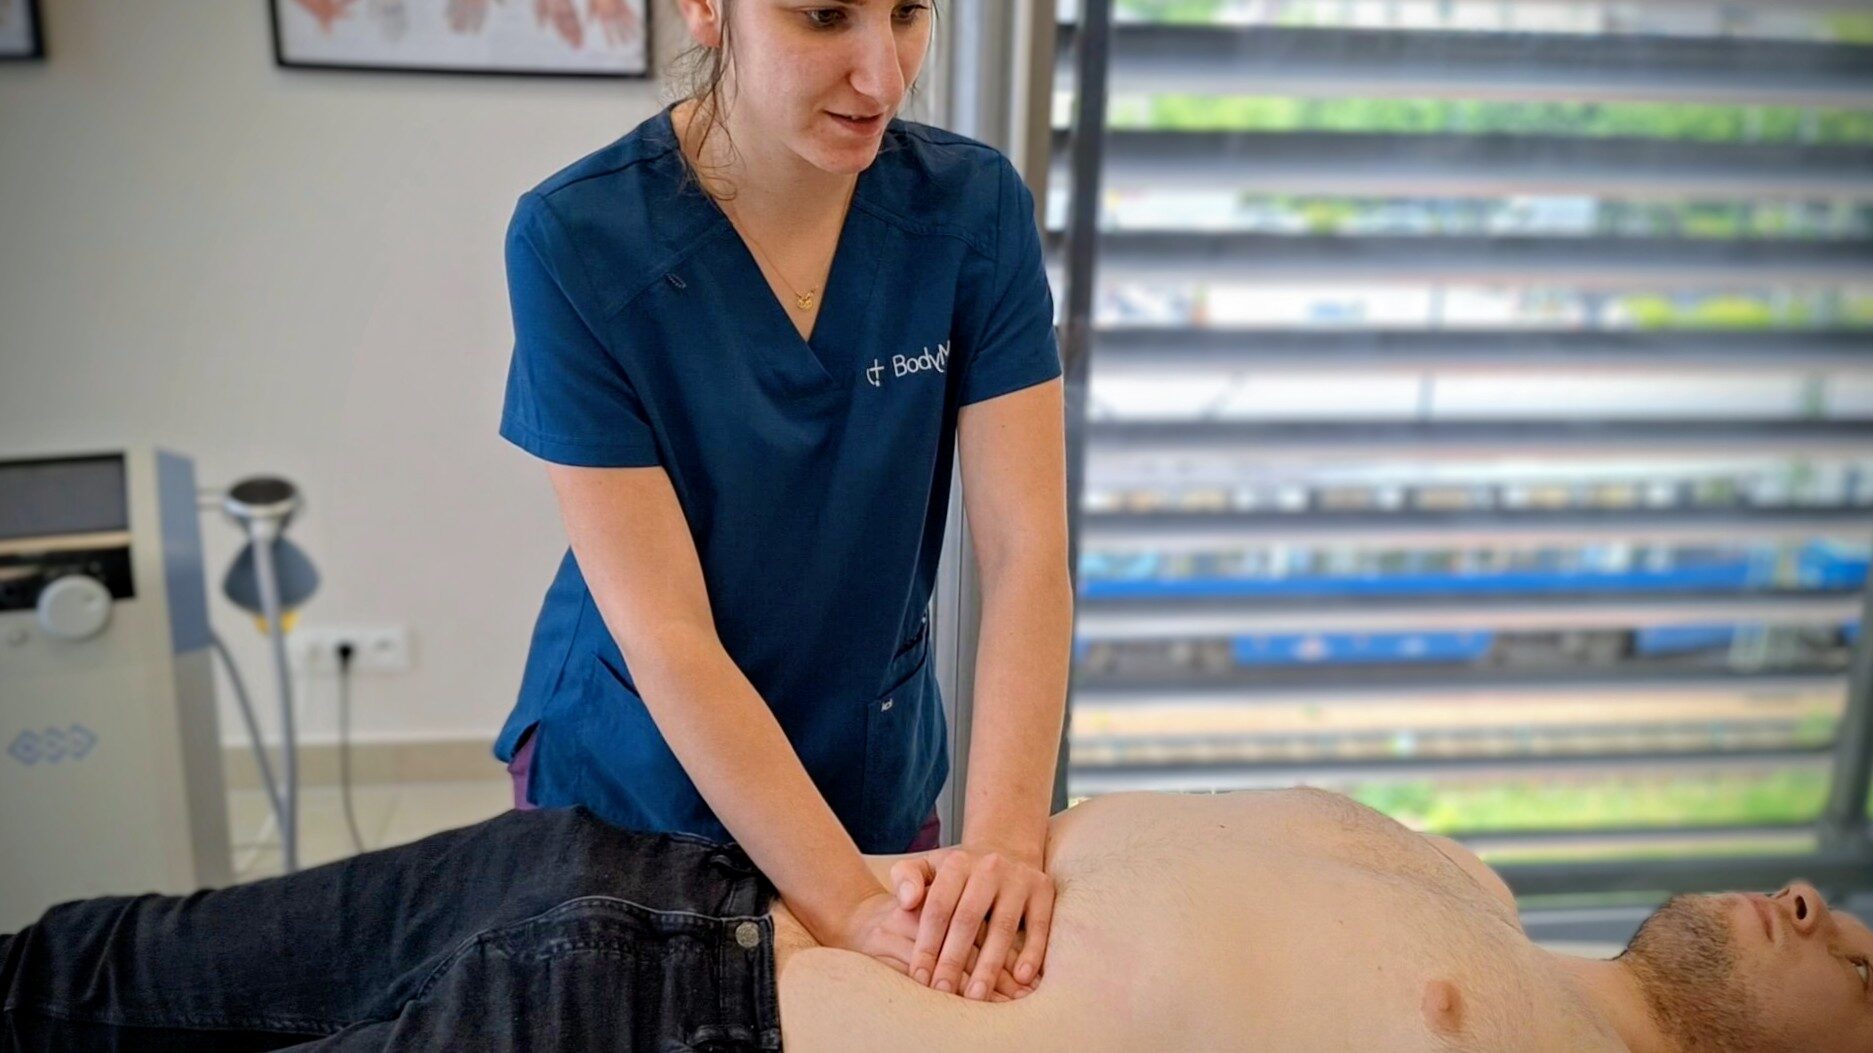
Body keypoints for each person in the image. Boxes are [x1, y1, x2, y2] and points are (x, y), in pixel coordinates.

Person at [492, 0, 1071, 1004]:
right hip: (637, 779)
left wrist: (1004, 848)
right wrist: (845, 906)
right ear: (705, 10)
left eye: (908, 13)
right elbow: (666, 633)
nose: (884, 78)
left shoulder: (971, 211)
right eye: (823, 16)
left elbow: (1025, 553)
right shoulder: (577, 239)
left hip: (869, 758)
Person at [7, 788, 1869, 1051]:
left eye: (1865, 964)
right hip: (652, 871)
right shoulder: (1463, 879)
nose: (1820, 904)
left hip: (674, 1037)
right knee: (89, 964)